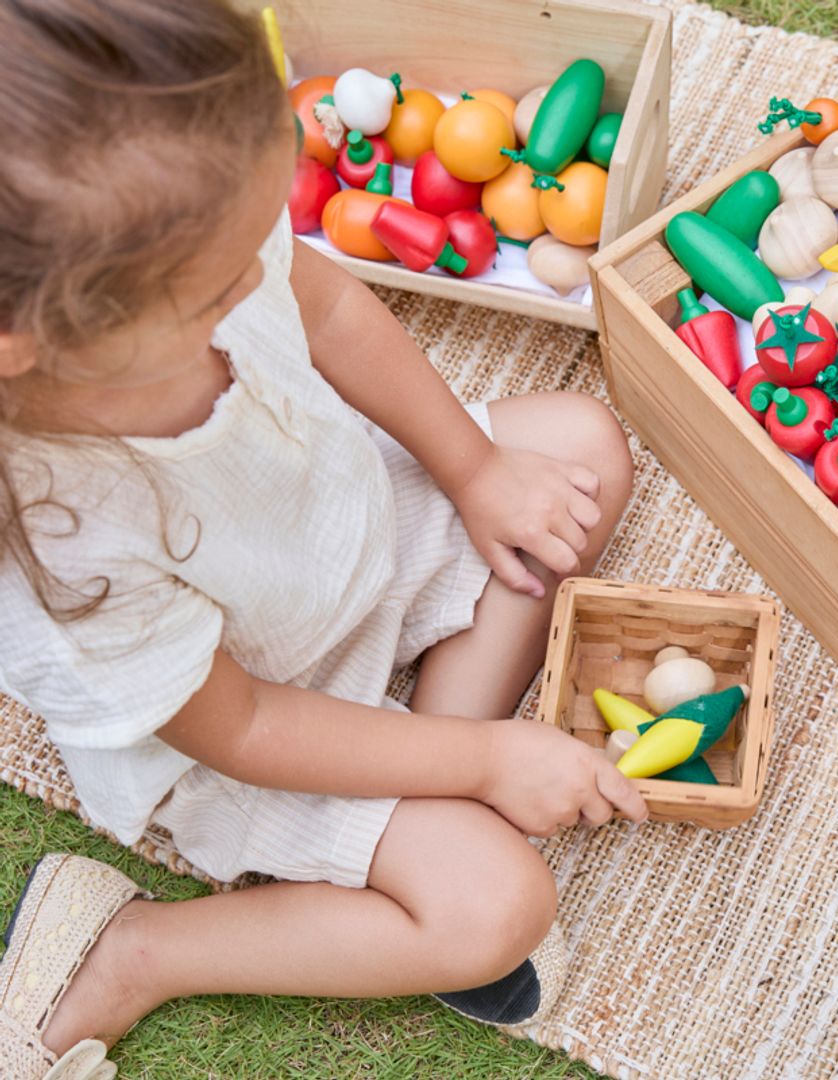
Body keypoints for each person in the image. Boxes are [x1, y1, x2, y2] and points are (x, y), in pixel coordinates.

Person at [0, 1, 647, 1074]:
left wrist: (474, 473)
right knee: (496, 907)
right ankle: (142, 948)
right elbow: (244, 726)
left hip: (351, 539)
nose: (260, 278)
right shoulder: (61, 547)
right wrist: (488, 757)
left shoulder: (195, 215)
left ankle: (425, 772)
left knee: (579, 447)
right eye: (219, 291)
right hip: (254, 720)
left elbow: (335, 314)